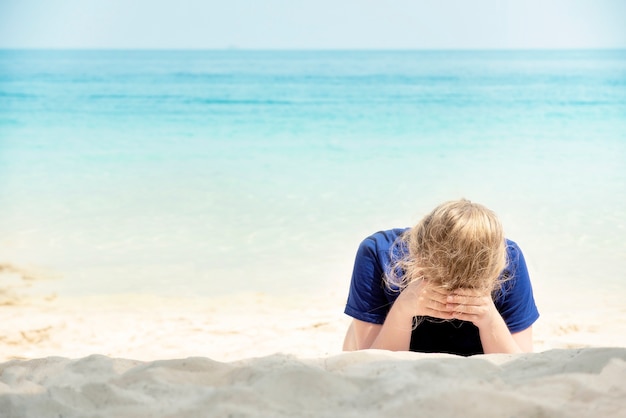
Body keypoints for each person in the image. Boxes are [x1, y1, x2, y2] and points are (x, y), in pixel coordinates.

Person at [342, 199, 539, 356]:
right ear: (417, 254)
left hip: (474, 355)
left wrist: (489, 319)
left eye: (466, 286)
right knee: (356, 335)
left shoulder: (507, 259)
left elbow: (519, 363)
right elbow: (370, 365)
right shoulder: (379, 252)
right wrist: (402, 309)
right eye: (441, 282)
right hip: (387, 343)